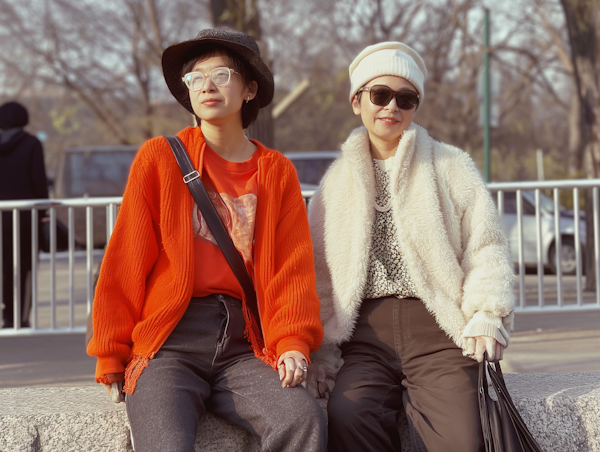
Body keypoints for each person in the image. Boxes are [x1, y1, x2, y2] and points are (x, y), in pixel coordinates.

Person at [87, 28, 326, 452]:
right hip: (169, 343)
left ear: (250, 89)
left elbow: (291, 269)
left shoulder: (276, 171)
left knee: (300, 419)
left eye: (221, 73)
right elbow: (125, 260)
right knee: (166, 443)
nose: (207, 86)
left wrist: (293, 343)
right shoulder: (159, 159)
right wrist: (110, 353)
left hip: (244, 343)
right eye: (195, 78)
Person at [306, 42, 515, 452]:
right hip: (364, 339)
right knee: (347, 416)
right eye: (379, 95)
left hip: (438, 332)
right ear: (356, 101)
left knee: (460, 439)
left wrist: (489, 312)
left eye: (406, 99)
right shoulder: (334, 183)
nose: (391, 108)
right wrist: (320, 351)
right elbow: (320, 274)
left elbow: (486, 246)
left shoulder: (450, 165)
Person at [0, 101, 49, 328]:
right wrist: (43, 212)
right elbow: (39, 181)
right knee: (25, 267)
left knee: (3, 266)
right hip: (26, 218)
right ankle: (21, 317)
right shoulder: (31, 144)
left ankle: (6, 316)